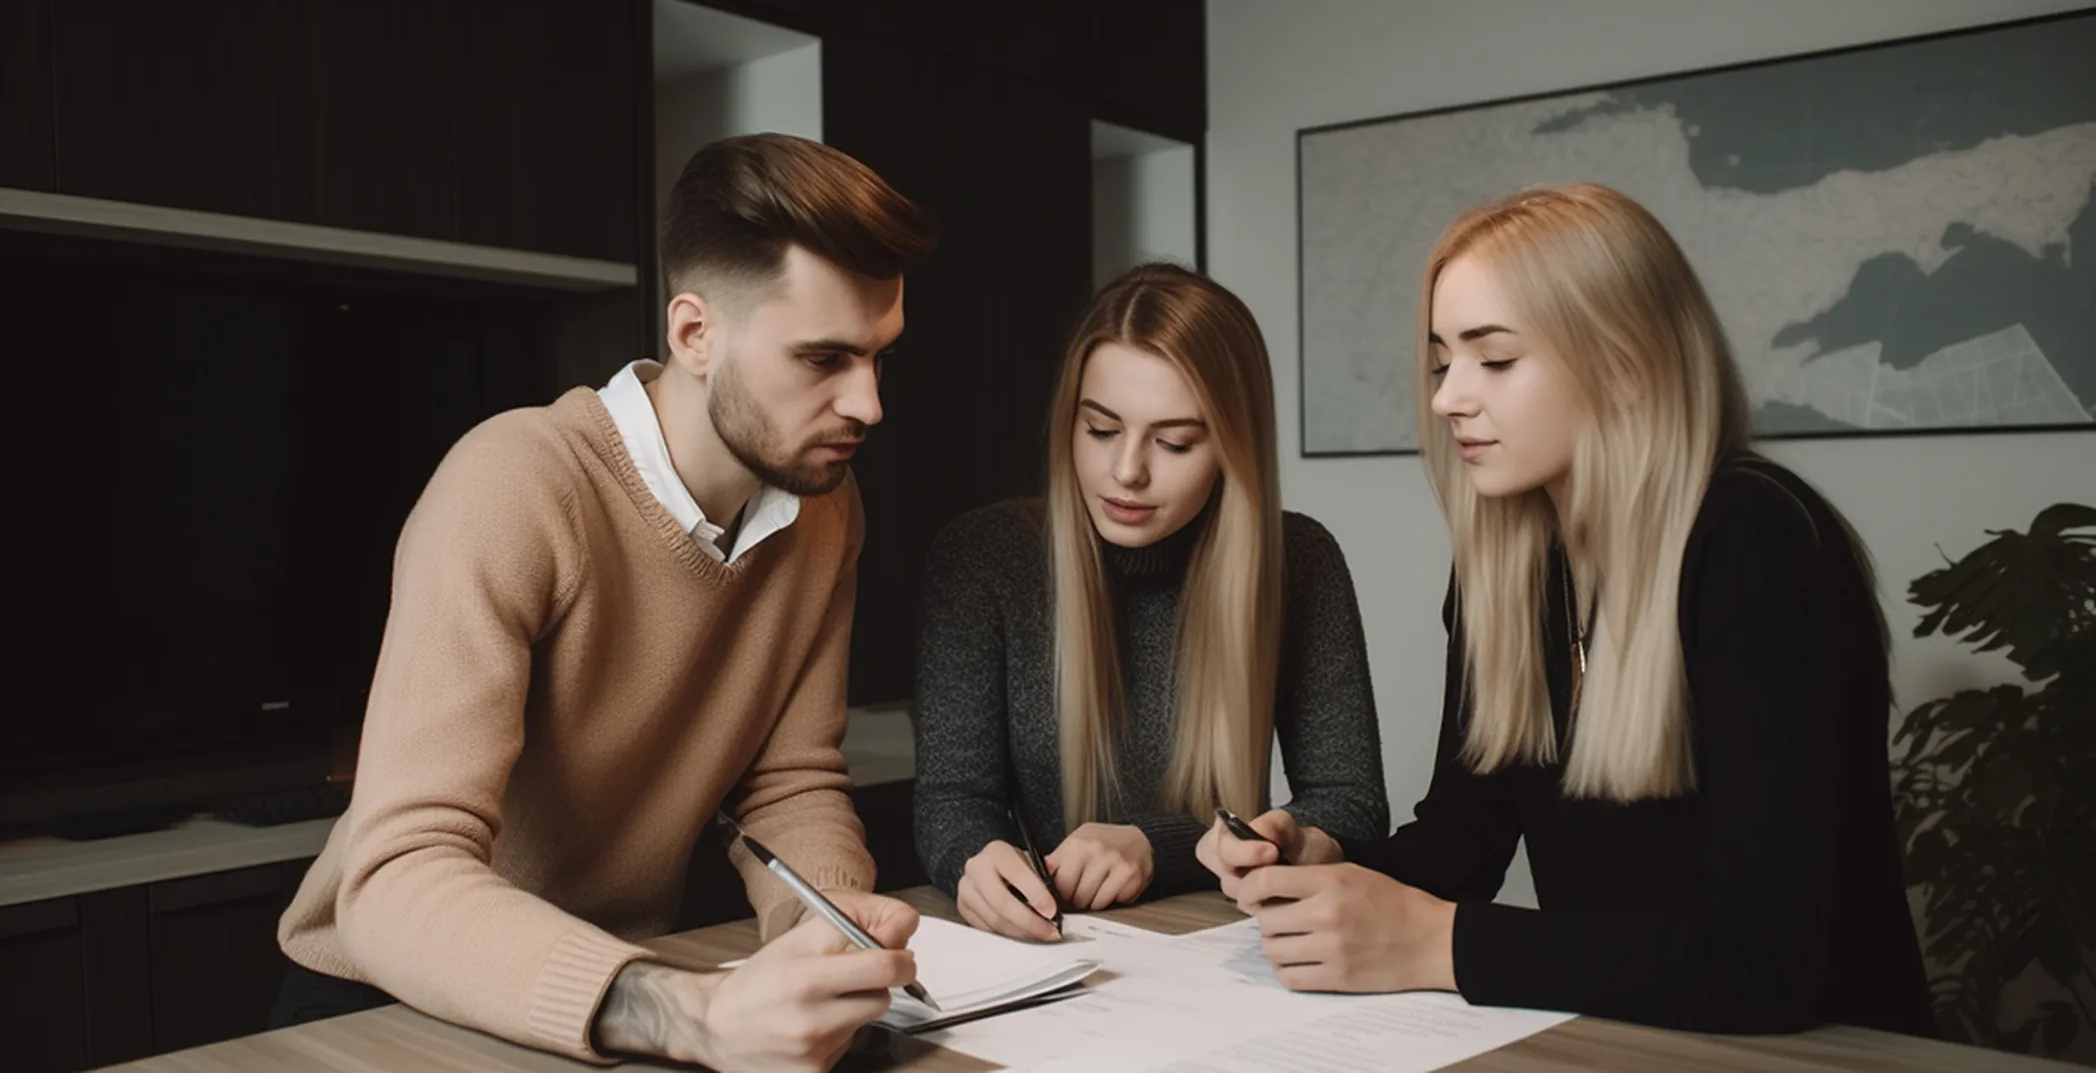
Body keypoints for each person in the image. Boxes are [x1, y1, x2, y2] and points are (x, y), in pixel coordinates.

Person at [271, 133, 941, 1071]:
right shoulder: (514, 485)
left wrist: (825, 917)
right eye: (824, 358)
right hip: (390, 999)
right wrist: (683, 1012)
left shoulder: (823, 509)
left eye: (880, 356)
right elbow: (393, 876)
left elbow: (788, 781)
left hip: (620, 991)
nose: (869, 404)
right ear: (695, 334)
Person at [1199, 184, 1935, 1037]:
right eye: (1442, 361)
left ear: (1624, 362)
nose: (1446, 399)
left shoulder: (1757, 542)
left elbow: (1763, 965)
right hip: (1627, 1041)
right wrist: (1320, 858)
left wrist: (1438, 946)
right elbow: (1461, 847)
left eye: (1495, 360)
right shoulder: (1509, 565)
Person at [913, 263, 1389, 941]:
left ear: (1231, 445)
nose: (1128, 471)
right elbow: (952, 796)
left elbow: (1353, 805)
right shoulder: (983, 557)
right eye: (1101, 430)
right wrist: (973, 858)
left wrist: (1161, 846)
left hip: (1220, 944)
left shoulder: (1298, 559)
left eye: (1174, 442)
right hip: (1055, 945)